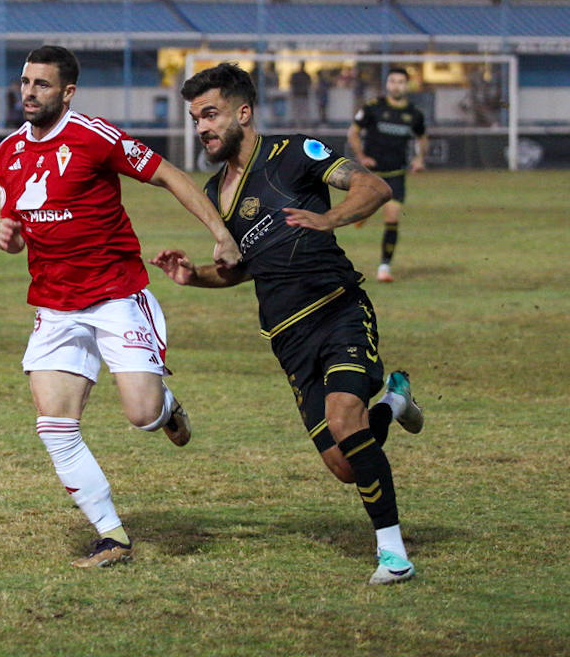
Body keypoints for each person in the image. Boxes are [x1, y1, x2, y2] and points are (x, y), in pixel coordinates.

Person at [152, 61, 425, 586]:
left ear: (243, 112)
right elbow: (245, 270)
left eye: (211, 114)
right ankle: (393, 402)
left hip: (337, 309)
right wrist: (196, 277)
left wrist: (329, 217)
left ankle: (393, 554)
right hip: (288, 340)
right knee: (347, 465)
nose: (203, 127)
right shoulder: (215, 194)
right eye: (195, 118)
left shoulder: (293, 153)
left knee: (346, 419)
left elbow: (372, 188)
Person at [0, 45, 242, 569]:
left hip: (115, 297)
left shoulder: (93, 136)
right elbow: (16, 222)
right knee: (55, 425)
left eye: (41, 84)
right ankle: (112, 536)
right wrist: (9, 235)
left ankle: (165, 406)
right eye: (24, 82)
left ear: (67, 93)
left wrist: (220, 233)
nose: (28, 92)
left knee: (142, 415)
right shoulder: (8, 152)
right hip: (55, 307)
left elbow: (170, 174)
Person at [347, 67, 428, 282]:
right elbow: (353, 132)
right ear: (387, 84)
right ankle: (365, 212)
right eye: (393, 81)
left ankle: (384, 267)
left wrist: (419, 159)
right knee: (357, 212)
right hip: (371, 174)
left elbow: (422, 138)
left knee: (392, 217)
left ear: (407, 85)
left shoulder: (414, 114)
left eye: (401, 82)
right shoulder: (373, 108)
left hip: (396, 174)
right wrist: (361, 155)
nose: (396, 85)